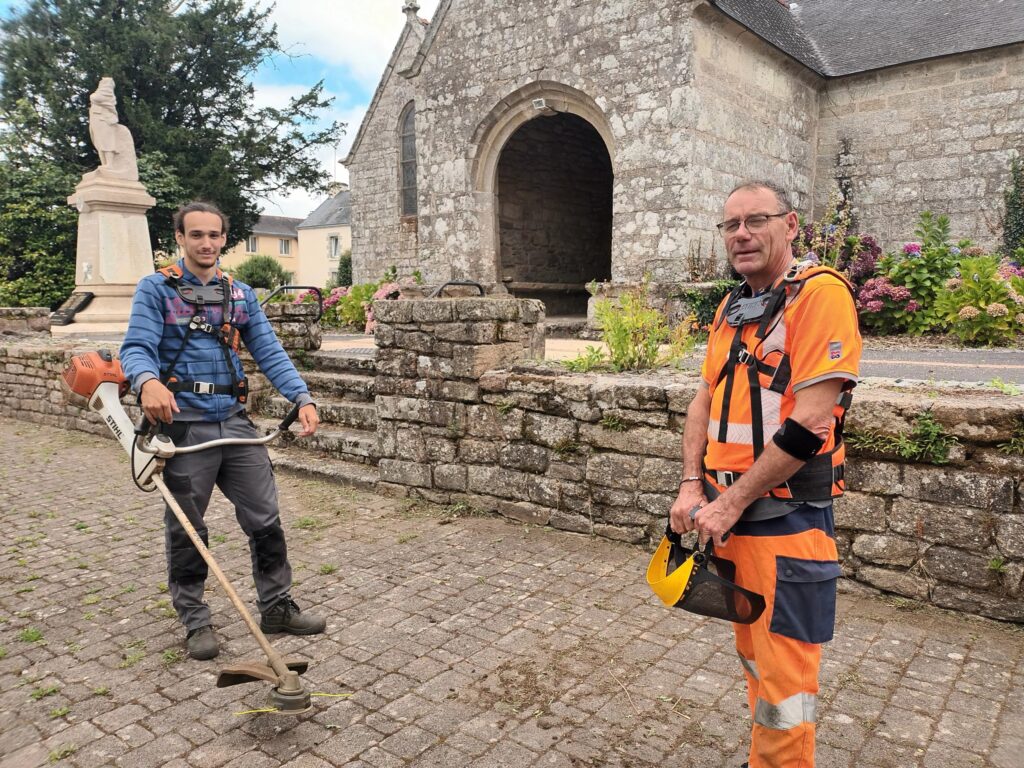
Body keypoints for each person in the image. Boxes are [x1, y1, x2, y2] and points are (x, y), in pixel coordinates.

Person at [669, 181, 862, 767]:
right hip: (730, 518)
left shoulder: (820, 295)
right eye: (731, 225)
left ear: (791, 224)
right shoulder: (733, 307)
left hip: (785, 520)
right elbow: (703, 398)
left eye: (756, 220)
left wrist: (728, 503)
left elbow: (810, 425)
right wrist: (691, 484)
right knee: (755, 660)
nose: (742, 234)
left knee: (786, 687)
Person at [120, 201, 325, 661]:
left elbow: (270, 352)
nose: (207, 243)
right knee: (188, 527)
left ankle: (276, 606)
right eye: (197, 235)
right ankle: (195, 620)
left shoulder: (240, 295)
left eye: (214, 235)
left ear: (223, 239)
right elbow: (136, 347)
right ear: (180, 238)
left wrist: (302, 396)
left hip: (234, 423)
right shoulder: (156, 289)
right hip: (184, 426)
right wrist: (147, 381)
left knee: (265, 518)